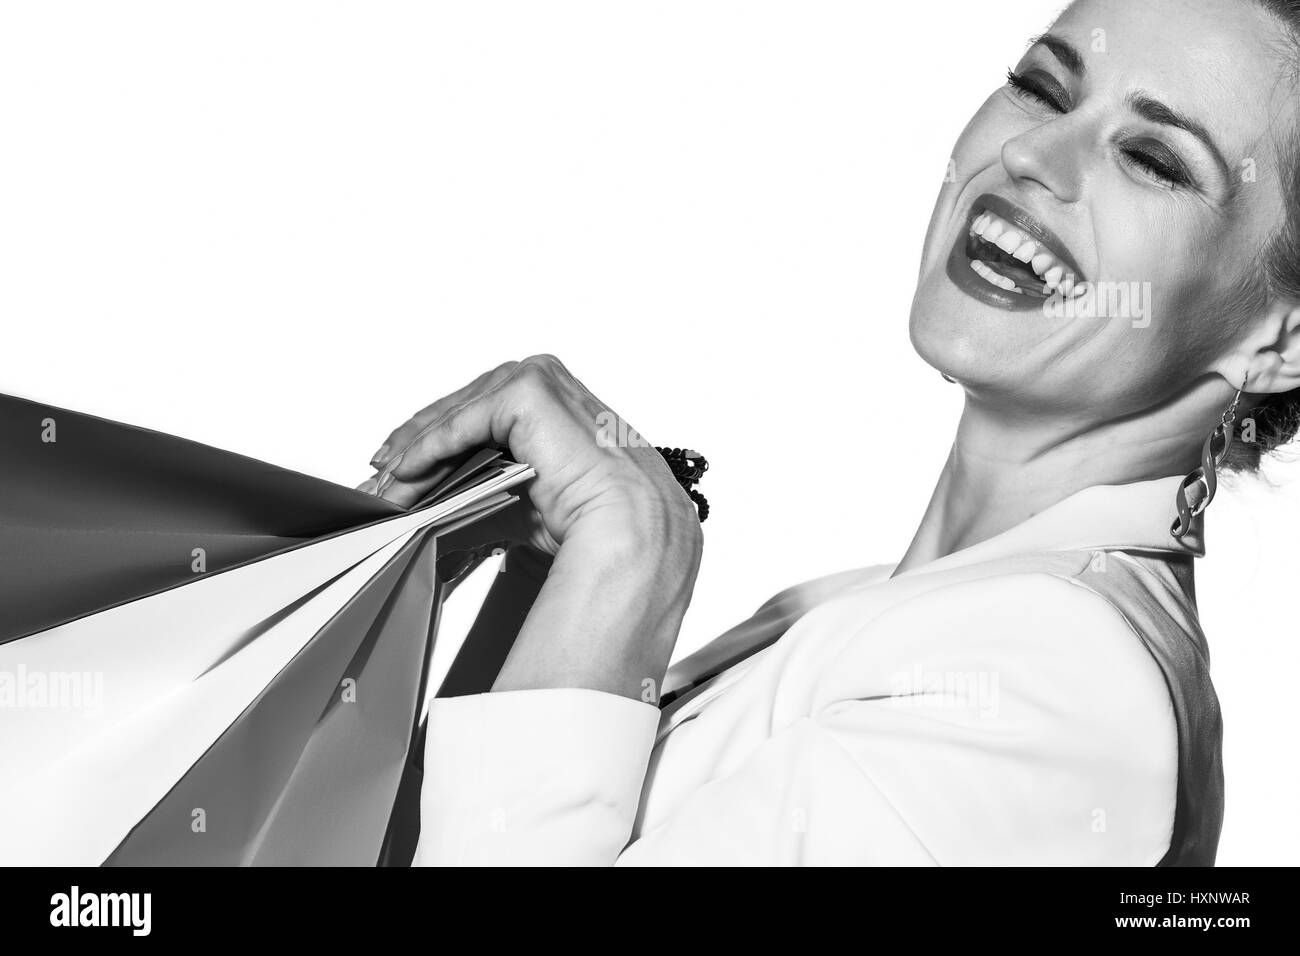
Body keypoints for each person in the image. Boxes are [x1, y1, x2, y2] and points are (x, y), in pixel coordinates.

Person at [359, 0, 1300, 865]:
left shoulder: (1053, 693)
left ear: (1282, 339)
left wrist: (629, 561)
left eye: (1155, 160)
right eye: (1042, 88)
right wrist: (544, 590)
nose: (1036, 156)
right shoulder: (872, 613)